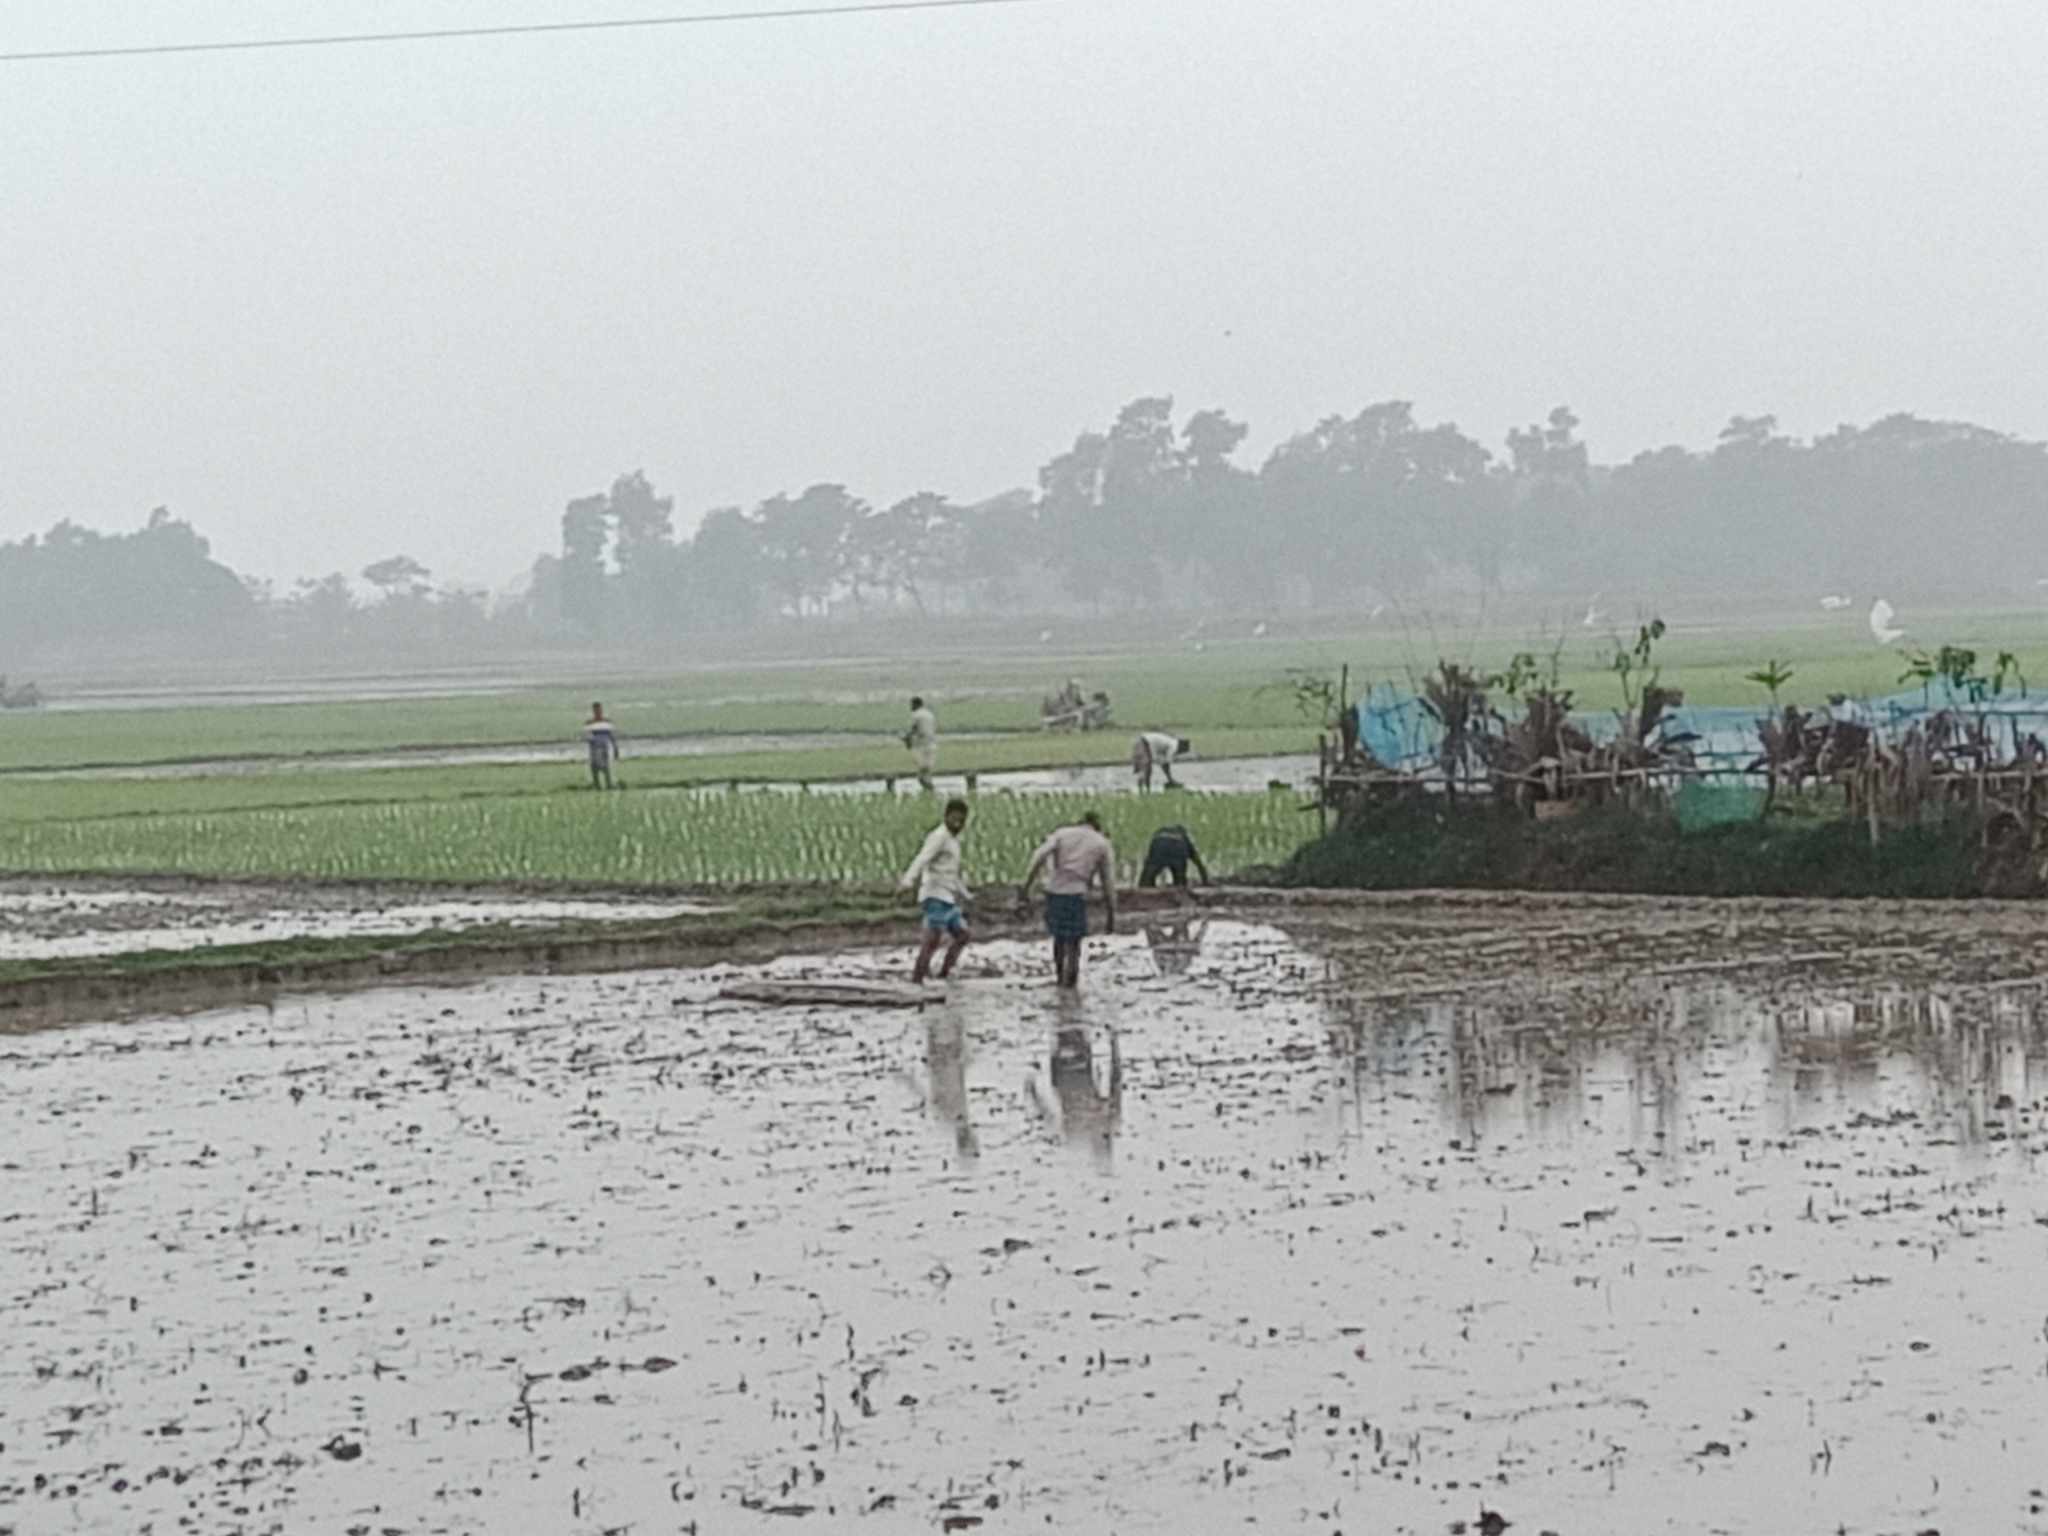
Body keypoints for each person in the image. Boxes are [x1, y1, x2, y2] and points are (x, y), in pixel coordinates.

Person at [1018, 811, 1116, 989]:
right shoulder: (1101, 843)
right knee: (1074, 942)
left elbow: (1038, 857)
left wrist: (1025, 888)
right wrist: (1111, 914)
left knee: (1059, 938)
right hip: (1076, 894)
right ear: (1097, 826)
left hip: (1055, 892)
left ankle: (1059, 978)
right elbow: (1108, 882)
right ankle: (1070, 984)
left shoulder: (1062, 834)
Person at [899, 797, 972, 983]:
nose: (958, 824)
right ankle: (916, 980)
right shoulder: (939, 837)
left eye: (961, 821)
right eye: (954, 819)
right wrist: (908, 880)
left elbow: (951, 872)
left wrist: (965, 893)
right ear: (946, 817)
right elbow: (923, 858)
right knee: (932, 941)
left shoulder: (953, 841)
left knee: (963, 935)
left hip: (948, 897)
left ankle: (944, 974)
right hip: (934, 895)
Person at [1139, 823, 1210, 888]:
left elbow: (1149, 855)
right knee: (1180, 882)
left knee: (1146, 881)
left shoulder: (1159, 832)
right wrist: (1205, 879)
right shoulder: (1184, 837)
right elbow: (1197, 860)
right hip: (1178, 852)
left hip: (1159, 848)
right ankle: (1179, 886)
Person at [903, 696, 939, 792]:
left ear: (915, 704)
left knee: (921, 775)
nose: (910, 707)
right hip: (932, 744)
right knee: (927, 772)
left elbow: (913, 729)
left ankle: (931, 791)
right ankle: (930, 791)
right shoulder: (930, 714)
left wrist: (906, 739)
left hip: (921, 746)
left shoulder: (916, 715)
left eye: (911, 705)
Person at [583, 702, 621, 790]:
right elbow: (587, 736)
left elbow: (612, 736)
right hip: (594, 749)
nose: (598, 712)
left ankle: (609, 786)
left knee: (606, 769)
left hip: (604, 749)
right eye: (596, 710)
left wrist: (615, 748)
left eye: (599, 710)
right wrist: (591, 739)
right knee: (594, 768)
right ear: (593, 711)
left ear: (601, 710)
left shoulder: (606, 722)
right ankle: (597, 786)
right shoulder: (590, 723)